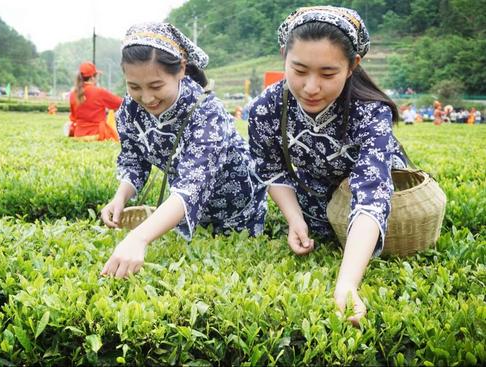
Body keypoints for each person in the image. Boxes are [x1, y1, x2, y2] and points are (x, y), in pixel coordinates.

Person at [248, 6, 408, 327]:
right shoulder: (265, 107)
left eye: (327, 74)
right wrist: (295, 220)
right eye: (299, 69)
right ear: (284, 57)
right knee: (318, 231)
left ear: (352, 67)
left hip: (363, 206)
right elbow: (272, 169)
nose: (310, 87)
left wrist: (347, 284)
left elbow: (370, 195)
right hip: (314, 197)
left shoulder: (369, 112)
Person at [100, 23, 267, 278]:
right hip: (179, 213)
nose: (146, 98)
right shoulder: (129, 111)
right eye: (134, 87)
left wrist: (139, 238)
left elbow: (192, 185)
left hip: (238, 213)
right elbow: (134, 161)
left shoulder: (207, 112)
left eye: (156, 86)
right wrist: (120, 197)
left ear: (180, 69)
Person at [68, 62, 123, 141]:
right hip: (97, 135)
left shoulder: (73, 94)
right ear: (92, 77)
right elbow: (120, 103)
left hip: (78, 135)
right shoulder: (99, 92)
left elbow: (73, 118)